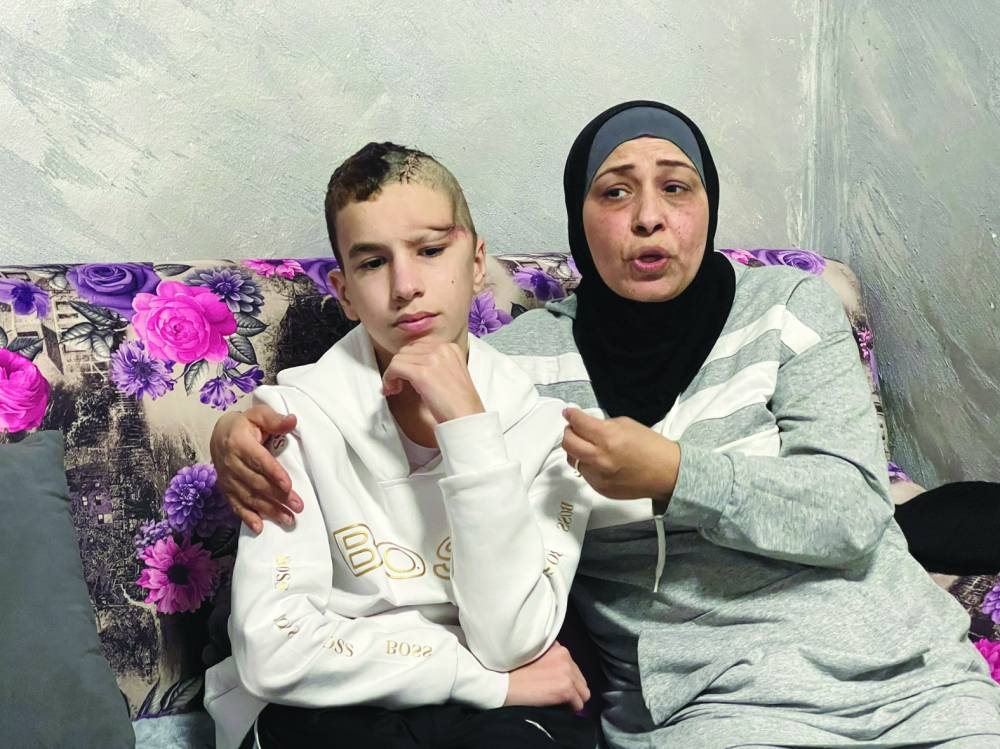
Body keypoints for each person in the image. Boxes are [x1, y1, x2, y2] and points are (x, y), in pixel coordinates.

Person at [212, 103, 1000, 747]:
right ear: (578, 217)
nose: (649, 218)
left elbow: (854, 512)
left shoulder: (791, 309)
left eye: (677, 188)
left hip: (913, 674)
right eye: (615, 192)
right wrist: (241, 422)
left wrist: (675, 473)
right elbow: (402, 391)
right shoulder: (523, 371)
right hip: (715, 703)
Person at [204, 142, 604, 749]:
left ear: (476, 262)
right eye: (372, 263)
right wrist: (478, 678)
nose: (406, 286)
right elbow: (273, 650)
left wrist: (468, 428)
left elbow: (513, 641)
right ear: (343, 291)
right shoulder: (286, 424)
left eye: (431, 250)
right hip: (334, 705)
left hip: (498, 709)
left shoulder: (551, 431)